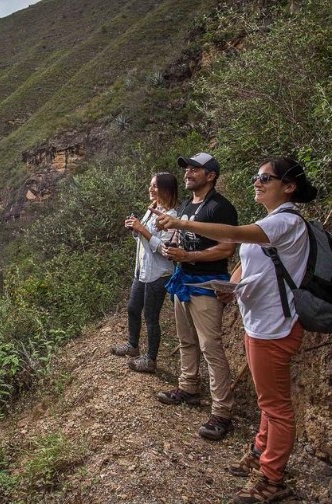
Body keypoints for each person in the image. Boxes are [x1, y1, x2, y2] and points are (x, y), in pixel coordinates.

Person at [155, 157, 317, 504]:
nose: (257, 182)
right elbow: (251, 258)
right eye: (256, 176)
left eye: (265, 178)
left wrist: (181, 221)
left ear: (288, 187)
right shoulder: (272, 220)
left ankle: (273, 479)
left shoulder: (287, 222)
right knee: (267, 401)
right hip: (260, 322)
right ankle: (260, 453)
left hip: (277, 326)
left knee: (276, 407)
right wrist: (233, 283)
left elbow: (233, 235)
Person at [155, 152, 238, 441]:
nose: (188, 173)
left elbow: (227, 248)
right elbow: (187, 237)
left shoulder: (221, 208)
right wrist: (173, 246)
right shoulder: (191, 205)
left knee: (210, 346)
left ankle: (222, 412)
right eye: (187, 169)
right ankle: (188, 386)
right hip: (184, 280)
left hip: (206, 284)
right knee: (186, 339)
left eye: (195, 169)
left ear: (211, 176)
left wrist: (189, 255)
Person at [110, 172, 179, 373]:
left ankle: (150, 359)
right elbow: (142, 239)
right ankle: (133, 345)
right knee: (132, 308)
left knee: (151, 316)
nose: (151, 189)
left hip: (159, 273)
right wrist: (135, 229)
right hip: (142, 269)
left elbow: (166, 250)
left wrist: (143, 230)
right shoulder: (152, 209)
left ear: (167, 188)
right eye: (151, 185)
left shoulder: (173, 216)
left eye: (155, 186)